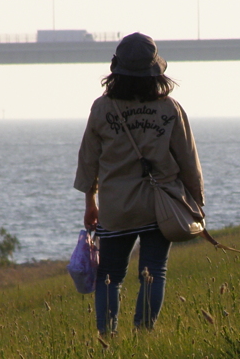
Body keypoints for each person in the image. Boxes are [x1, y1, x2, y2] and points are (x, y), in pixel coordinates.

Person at [74, 33, 205, 335]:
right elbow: (188, 161)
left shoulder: (102, 108)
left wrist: (90, 204)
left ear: (115, 69)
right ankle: (143, 335)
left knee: (109, 276)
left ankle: (108, 338)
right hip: (161, 206)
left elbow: (88, 162)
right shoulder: (169, 108)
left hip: (116, 207)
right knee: (153, 272)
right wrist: (196, 203)